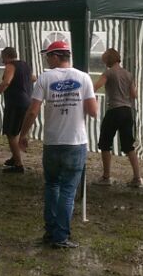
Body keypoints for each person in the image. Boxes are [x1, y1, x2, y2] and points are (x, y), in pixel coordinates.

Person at [18, 40, 98, 249]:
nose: (46, 60)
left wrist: (23, 134)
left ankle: (50, 230)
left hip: (53, 142)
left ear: (55, 56)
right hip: (75, 142)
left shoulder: (45, 78)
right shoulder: (84, 77)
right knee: (68, 190)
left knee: (52, 186)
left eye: (48, 56)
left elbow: (33, 111)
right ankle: (60, 236)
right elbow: (93, 111)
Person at [94, 47, 143, 187]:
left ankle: (106, 177)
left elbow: (96, 87)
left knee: (105, 143)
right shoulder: (128, 74)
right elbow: (134, 95)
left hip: (114, 111)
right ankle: (137, 178)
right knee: (128, 146)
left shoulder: (108, 73)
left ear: (108, 60)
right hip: (127, 111)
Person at [0, 46, 35, 173]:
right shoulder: (24, 65)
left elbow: (6, 82)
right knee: (16, 131)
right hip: (27, 102)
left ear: (7, 56)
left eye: (2, 58)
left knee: (11, 133)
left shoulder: (10, 66)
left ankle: (18, 165)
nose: (2, 61)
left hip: (15, 103)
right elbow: (34, 78)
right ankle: (15, 157)